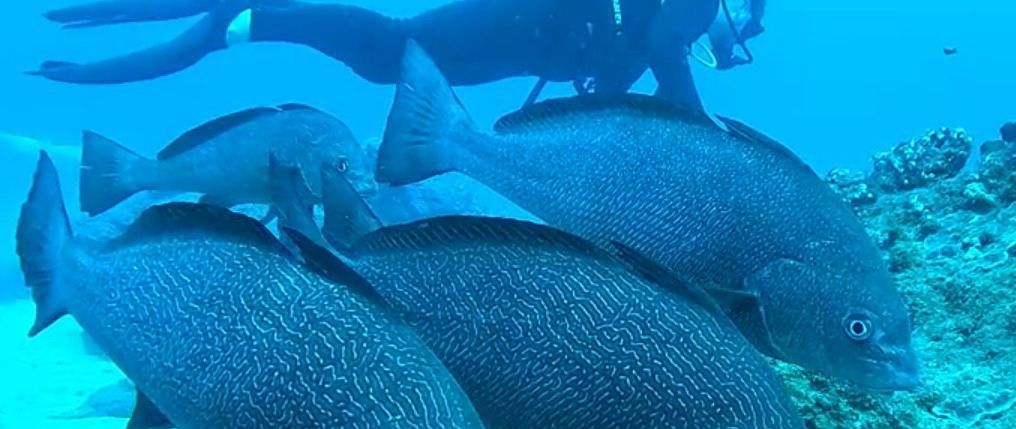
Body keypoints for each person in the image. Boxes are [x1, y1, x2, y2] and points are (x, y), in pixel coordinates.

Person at [32, 0, 765, 110]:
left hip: (449, 56)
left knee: (377, 50)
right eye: (749, 30)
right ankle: (97, 60)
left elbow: (608, 99)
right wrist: (703, 134)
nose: (739, 47)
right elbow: (675, 48)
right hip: (449, 42)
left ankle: (86, 60)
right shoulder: (682, 12)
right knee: (378, 47)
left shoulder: (643, 35)